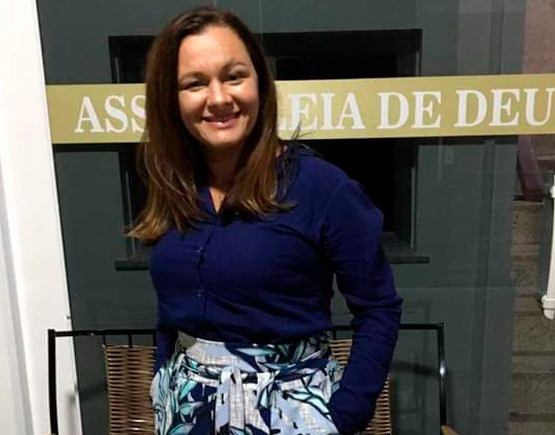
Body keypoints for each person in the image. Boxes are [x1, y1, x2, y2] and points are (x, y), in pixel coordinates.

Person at [129, 6, 403, 435]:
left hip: (291, 415)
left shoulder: (322, 188)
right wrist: (164, 380)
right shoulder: (173, 186)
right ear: (171, 97)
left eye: (234, 76)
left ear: (260, 81)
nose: (219, 98)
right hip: (187, 413)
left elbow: (379, 308)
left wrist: (344, 415)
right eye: (195, 83)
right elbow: (171, 311)